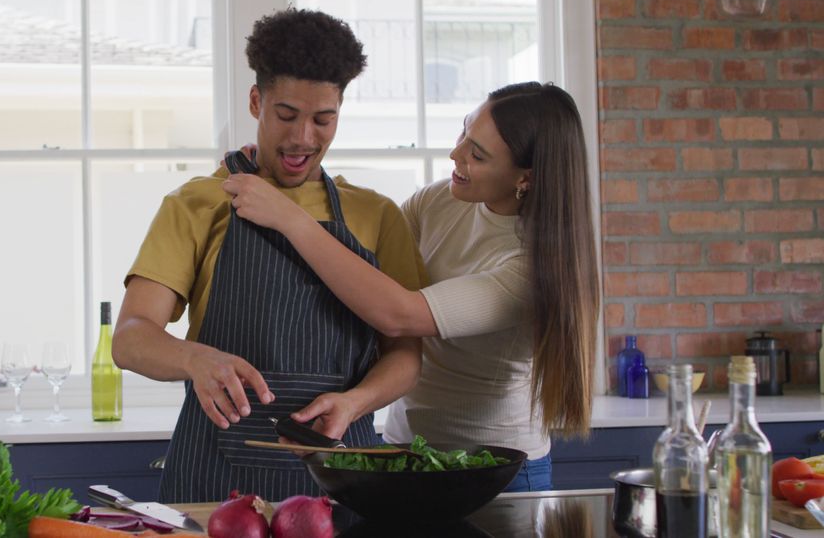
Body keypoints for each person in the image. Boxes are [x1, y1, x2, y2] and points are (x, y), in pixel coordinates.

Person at [113, 8, 428, 503]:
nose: (304, 137)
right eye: (286, 115)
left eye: (324, 119)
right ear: (257, 101)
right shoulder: (197, 203)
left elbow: (406, 354)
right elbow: (131, 339)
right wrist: (195, 359)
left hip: (344, 477)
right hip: (213, 483)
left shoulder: (378, 216)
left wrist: (356, 401)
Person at [222, 81, 600, 491]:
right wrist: (290, 185)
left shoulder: (530, 268)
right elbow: (361, 261)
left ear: (524, 177)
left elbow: (400, 314)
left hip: (497, 470)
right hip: (405, 450)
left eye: (477, 154)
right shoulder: (441, 201)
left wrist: (289, 218)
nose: (455, 155)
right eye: (463, 133)